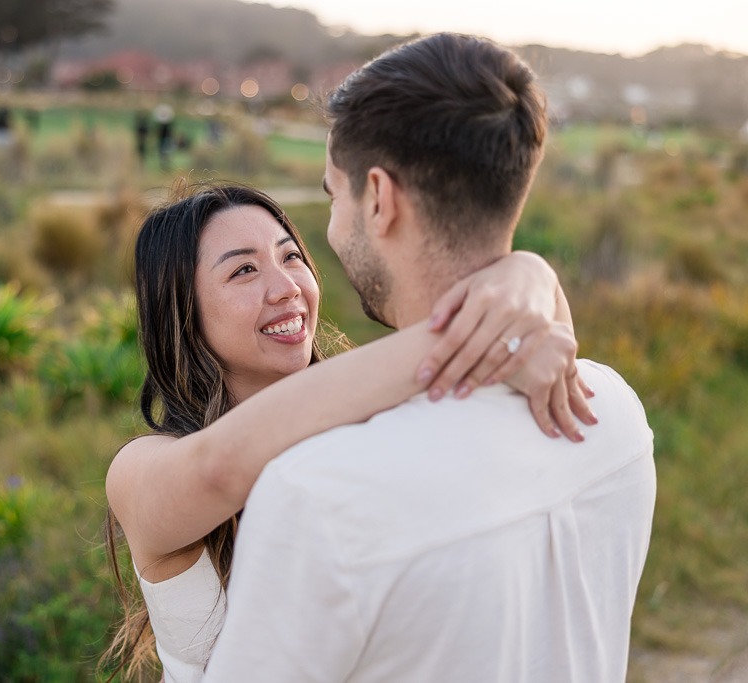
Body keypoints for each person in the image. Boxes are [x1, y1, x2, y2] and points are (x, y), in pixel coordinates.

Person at [201, 34, 655, 682]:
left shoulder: (321, 495)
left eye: (333, 196)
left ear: (378, 199)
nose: (331, 227)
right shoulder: (617, 415)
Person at [104, 181, 594, 682]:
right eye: (243, 270)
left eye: (291, 256)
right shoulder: (138, 470)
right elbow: (218, 469)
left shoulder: (366, 418)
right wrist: (485, 329)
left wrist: (531, 274)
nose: (286, 287)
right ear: (181, 310)